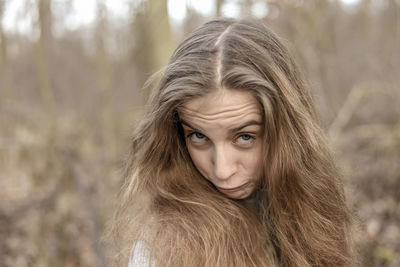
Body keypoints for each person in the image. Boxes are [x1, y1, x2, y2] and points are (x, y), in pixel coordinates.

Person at [111, 18, 354, 267]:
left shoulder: (314, 210)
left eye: (245, 137)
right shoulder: (164, 247)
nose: (222, 171)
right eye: (198, 136)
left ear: (286, 131)